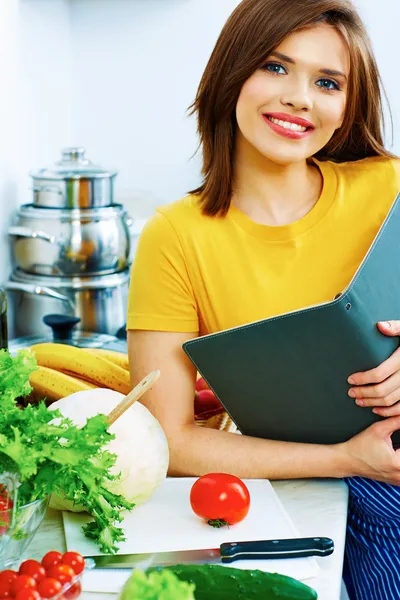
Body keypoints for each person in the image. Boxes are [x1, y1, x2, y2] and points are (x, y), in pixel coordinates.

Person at [127, 0, 400, 598]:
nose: (300, 97)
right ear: (232, 75)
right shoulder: (175, 236)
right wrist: (351, 460)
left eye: (328, 82)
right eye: (276, 67)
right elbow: (167, 440)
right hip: (338, 495)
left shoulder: (390, 187)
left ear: (347, 106)